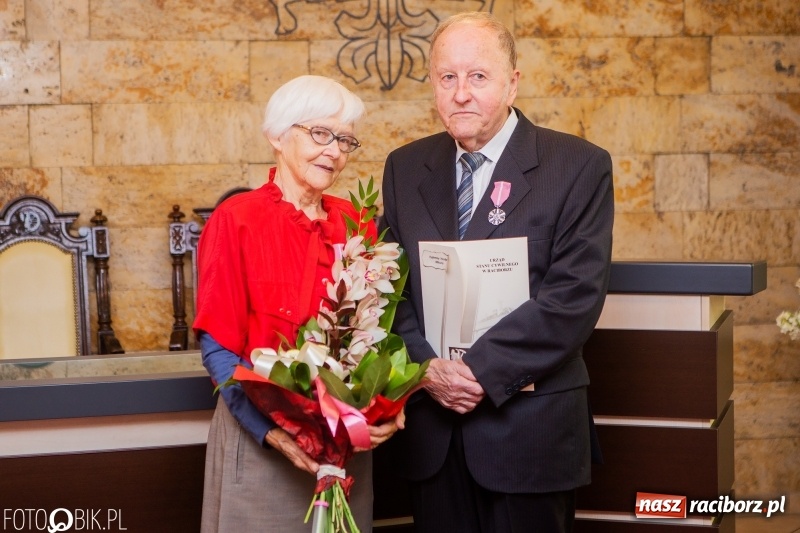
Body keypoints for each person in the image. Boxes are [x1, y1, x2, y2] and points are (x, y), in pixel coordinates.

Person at [378, 12, 614, 533]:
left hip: (529, 436)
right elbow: (388, 290)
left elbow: (573, 298)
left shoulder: (577, 165)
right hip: (434, 432)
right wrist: (427, 369)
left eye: (478, 76)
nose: (461, 93)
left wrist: (479, 372)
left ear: (513, 82)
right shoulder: (404, 167)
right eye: (447, 77)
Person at [193, 75, 402, 532]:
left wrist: (388, 403)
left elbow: (379, 333)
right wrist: (274, 434)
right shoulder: (237, 219)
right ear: (277, 135)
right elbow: (217, 349)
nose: (335, 151)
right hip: (263, 445)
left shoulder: (356, 224)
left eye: (345, 139)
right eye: (320, 134)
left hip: (344, 451)